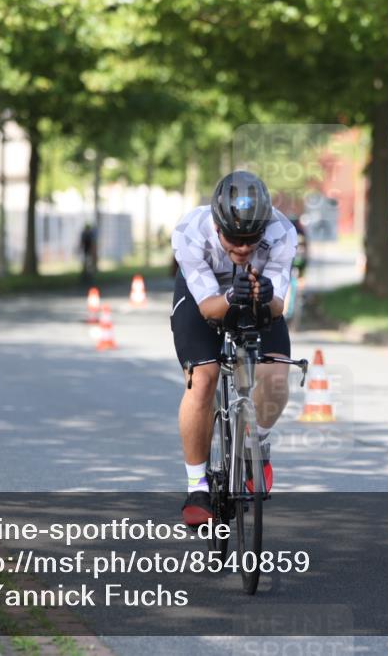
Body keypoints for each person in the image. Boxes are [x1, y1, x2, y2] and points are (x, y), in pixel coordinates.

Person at [170, 171, 298, 525]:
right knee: (204, 379)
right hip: (205, 297)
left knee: (275, 376)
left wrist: (266, 298)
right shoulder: (189, 232)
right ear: (216, 224)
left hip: (258, 296)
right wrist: (229, 296)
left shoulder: (283, 232)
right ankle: (197, 486)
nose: (242, 248)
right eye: (233, 239)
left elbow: (277, 309)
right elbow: (209, 308)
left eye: (251, 240)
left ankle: (255, 445)